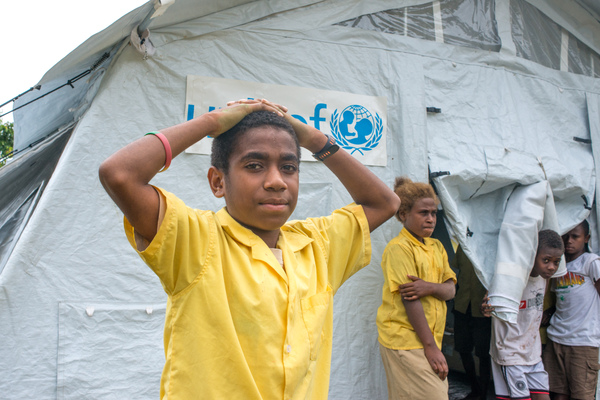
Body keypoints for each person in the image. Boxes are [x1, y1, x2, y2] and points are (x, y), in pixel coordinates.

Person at [98, 98, 400, 399]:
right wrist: (211, 123)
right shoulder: (195, 240)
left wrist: (313, 139)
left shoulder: (317, 246)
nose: (276, 181)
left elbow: (386, 203)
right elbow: (120, 174)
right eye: (254, 166)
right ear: (218, 182)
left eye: (289, 167)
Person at [376, 176, 457, 400]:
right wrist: (431, 347)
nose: (431, 219)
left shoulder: (436, 246)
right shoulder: (399, 248)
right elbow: (410, 299)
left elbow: (451, 290)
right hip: (405, 339)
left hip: (426, 339)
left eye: (433, 213)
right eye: (423, 213)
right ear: (404, 215)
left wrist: (429, 287)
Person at [482, 230, 564, 400]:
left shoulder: (543, 278)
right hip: (509, 354)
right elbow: (487, 301)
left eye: (556, 262)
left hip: (532, 354)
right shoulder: (509, 278)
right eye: (546, 260)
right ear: (532, 254)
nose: (551, 267)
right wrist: (486, 306)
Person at [542, 220, 600, 400]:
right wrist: (549, 312)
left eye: (575, 237)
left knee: (581, 395)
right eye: (566, 236)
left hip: (583, 342)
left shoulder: (590, 262)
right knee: (557, 393)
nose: (569, 241)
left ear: (586, 238)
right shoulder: (558, 266)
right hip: (557, 338)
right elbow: (562, 300)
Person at [451, 245, 492, 400]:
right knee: (462, 348)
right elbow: (458, 271)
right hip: (462, 305)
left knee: (483, 353)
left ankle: (482, 393)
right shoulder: (463, 244)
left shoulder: (489, 244)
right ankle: (475, 388)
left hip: (482, 309)